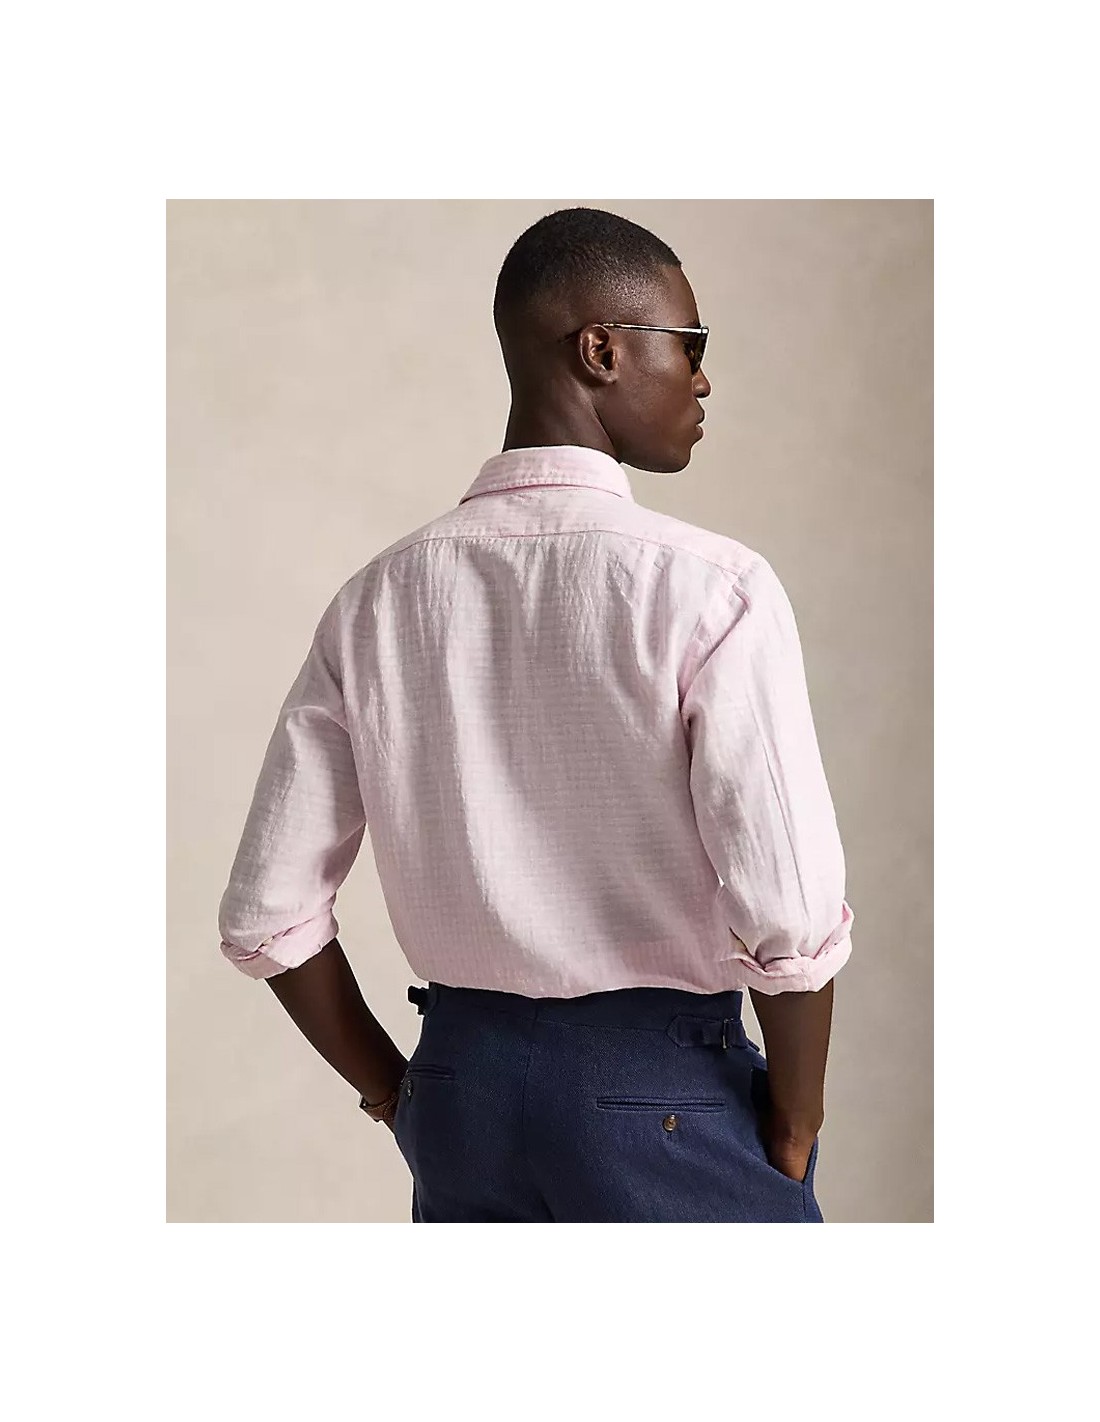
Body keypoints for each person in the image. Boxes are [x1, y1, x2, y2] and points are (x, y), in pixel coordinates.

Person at [217, 205, 855, 1222]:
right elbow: (790, 911)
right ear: (601, 350)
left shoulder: (376, 600)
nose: (701, 379)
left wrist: (400, 1094)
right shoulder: (712, 591)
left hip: (463, 1095)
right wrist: (795, 1126)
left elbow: (266, 915)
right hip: (666, 1098)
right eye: (689, 345)